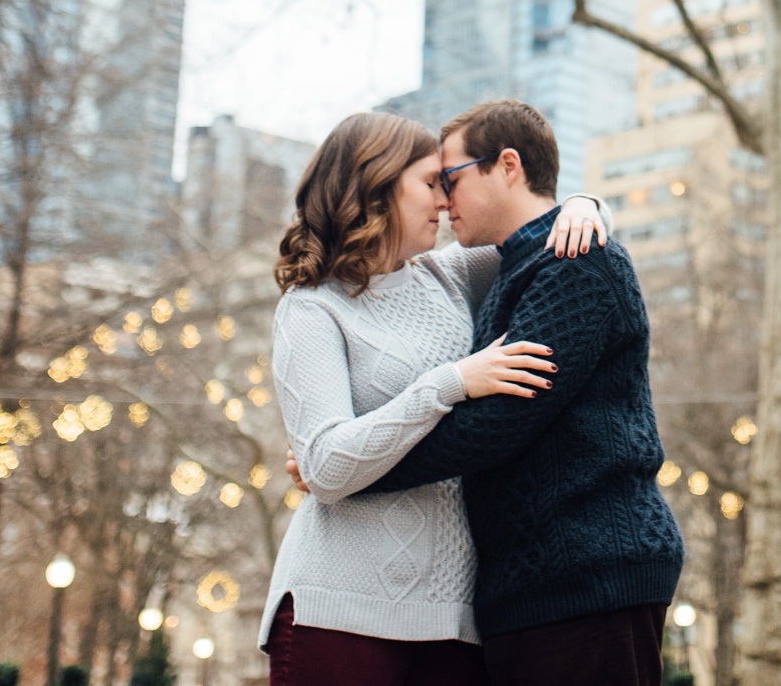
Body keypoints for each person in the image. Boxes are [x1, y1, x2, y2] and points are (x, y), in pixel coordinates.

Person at [259, 110, 611, 686]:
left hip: (457, 621)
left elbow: (548, 235)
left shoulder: (450, 275)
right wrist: (450, 384)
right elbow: (324, 463)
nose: (446, 203)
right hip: (339, 610)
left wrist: (585, 205)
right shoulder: (311, 308)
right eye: (430, 184)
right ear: (376, 186)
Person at [358, 99, 685, 686]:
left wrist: (358, 465)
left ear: (507, 165)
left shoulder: (574, 262)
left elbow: (498, 423)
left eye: (450, 179)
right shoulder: (516, 265)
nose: (442, 199)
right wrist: (587, 203)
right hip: (538, 582)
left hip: (590, 573)